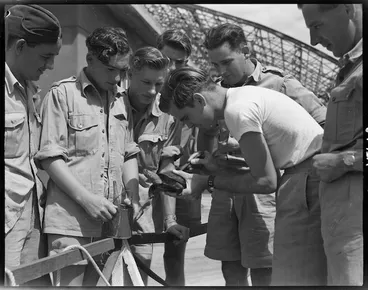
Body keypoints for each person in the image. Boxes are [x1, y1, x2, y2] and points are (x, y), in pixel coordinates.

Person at [159, 66, 328, 286]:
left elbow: (266, 181)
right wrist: (213, 168)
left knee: (295, 276)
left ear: (200, 100)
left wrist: (207, 181)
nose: (189, 125)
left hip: (307, 178)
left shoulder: (237, 111)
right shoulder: (240, 98)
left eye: (186, 117)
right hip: (306, 174)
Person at [197, 22, 327, 286]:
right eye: (215, 65)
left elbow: (323, 127)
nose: (221, 71)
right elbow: (206, 138)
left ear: (245, 50)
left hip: (264, 192)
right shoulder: (216, 92)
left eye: (226, 62)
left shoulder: (280, 84)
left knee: (264, 268)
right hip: (226, 191)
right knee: (230, 266)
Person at [35, 27, 140, 286]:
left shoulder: (121, 101)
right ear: (90, 60)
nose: (116, 78)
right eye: (110, 70)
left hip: (111, 222)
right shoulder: (62, 95)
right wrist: (88, 200)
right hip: (71, 222)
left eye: (122, 71)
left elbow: (128, 152)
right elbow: (50, 158)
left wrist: (133, 192)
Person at [299, 4, 363, 286]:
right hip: (344, 230)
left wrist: (344, 161)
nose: (313, 40)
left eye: (317, 26)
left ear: (348, 9)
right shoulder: (352, 69)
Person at [123, 46, 190, 286]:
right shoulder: (110, 106)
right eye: (146, 82)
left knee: (138, 278)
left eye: (159, 84)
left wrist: (170, 220)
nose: (152, 91)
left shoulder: (167, 115)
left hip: (141, 215)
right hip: (103, 210)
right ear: (130, 74)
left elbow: (166, 173)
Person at [4, 4, 62, 285]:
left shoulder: (30, 91)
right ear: (21, 46)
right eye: (45, 56)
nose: (50, 65)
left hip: (33, 216)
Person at [156, 28, 202, 286]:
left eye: (180, 62)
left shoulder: (191, 95)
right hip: (148, 183)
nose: (172, 68)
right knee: (139, 248)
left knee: (175, 253)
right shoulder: (142, 91)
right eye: (167, 60)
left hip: (181, 182)